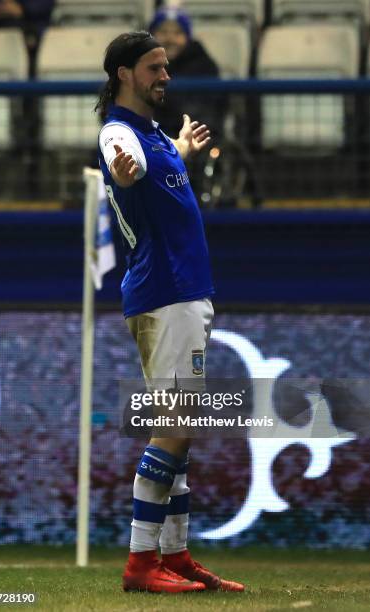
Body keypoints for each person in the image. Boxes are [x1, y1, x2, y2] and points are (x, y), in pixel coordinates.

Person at [96, 31, 244, 594]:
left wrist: (179, 149)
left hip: (183, 294)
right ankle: (141, 563)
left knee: (182, 431)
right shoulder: (119, 131)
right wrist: (123, 168)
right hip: (166, 293)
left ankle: (175, 555)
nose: (166, 76)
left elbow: (151, 171)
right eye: (155, 67)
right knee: (175, 427)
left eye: (166, 66)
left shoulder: (155, 133)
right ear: (124, 74)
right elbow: (119, 162)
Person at [148, 8, 220, 139]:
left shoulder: (204, 66)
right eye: (163, 32)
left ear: (187, 37)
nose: (170, 39)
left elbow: (204, 115)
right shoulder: (137, 63)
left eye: (178, 33)